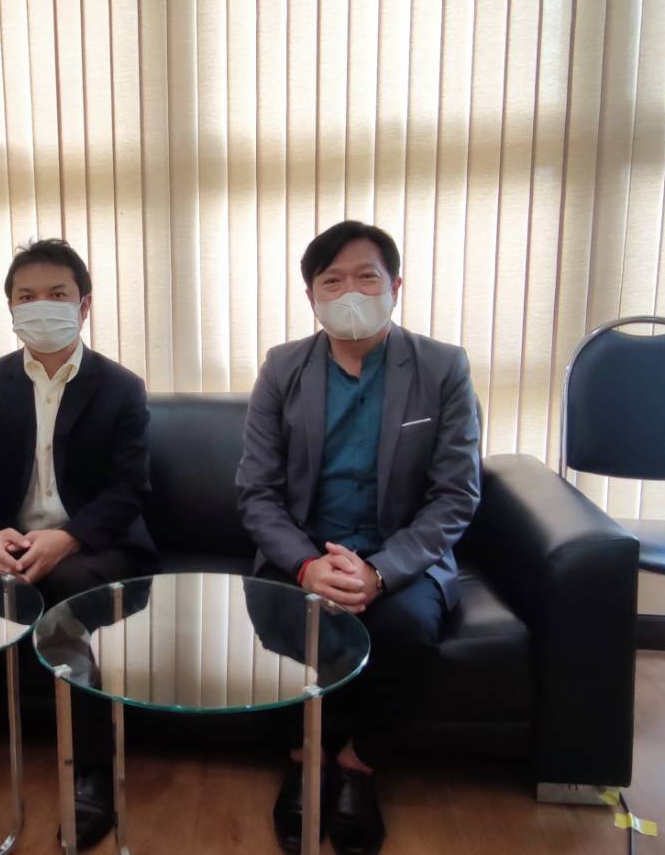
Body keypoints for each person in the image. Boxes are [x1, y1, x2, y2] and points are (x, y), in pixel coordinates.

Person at [0, 239, 155, 849]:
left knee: (70, 594)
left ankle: (92, 769)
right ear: (10, 307)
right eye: (26, 296)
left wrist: (67, 538)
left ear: (84, 305)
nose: (41, 306)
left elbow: (128, 489)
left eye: (57, 294)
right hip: (8, 539)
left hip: (94, 543)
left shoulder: (120, 387)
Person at [236, 221, 482, 855]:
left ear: (396, 286)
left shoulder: (442, 367)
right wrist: (304, 566)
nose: (350, 292)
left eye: (367, 277)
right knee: (279, 618)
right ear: (312, 297)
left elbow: (456, 494)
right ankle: (304, 758)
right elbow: (257, 491)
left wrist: (380, 571)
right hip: (304, 549)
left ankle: (358, 764)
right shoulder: (283, 367)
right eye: (332, 281)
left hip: (398, 554)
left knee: (408, 631)